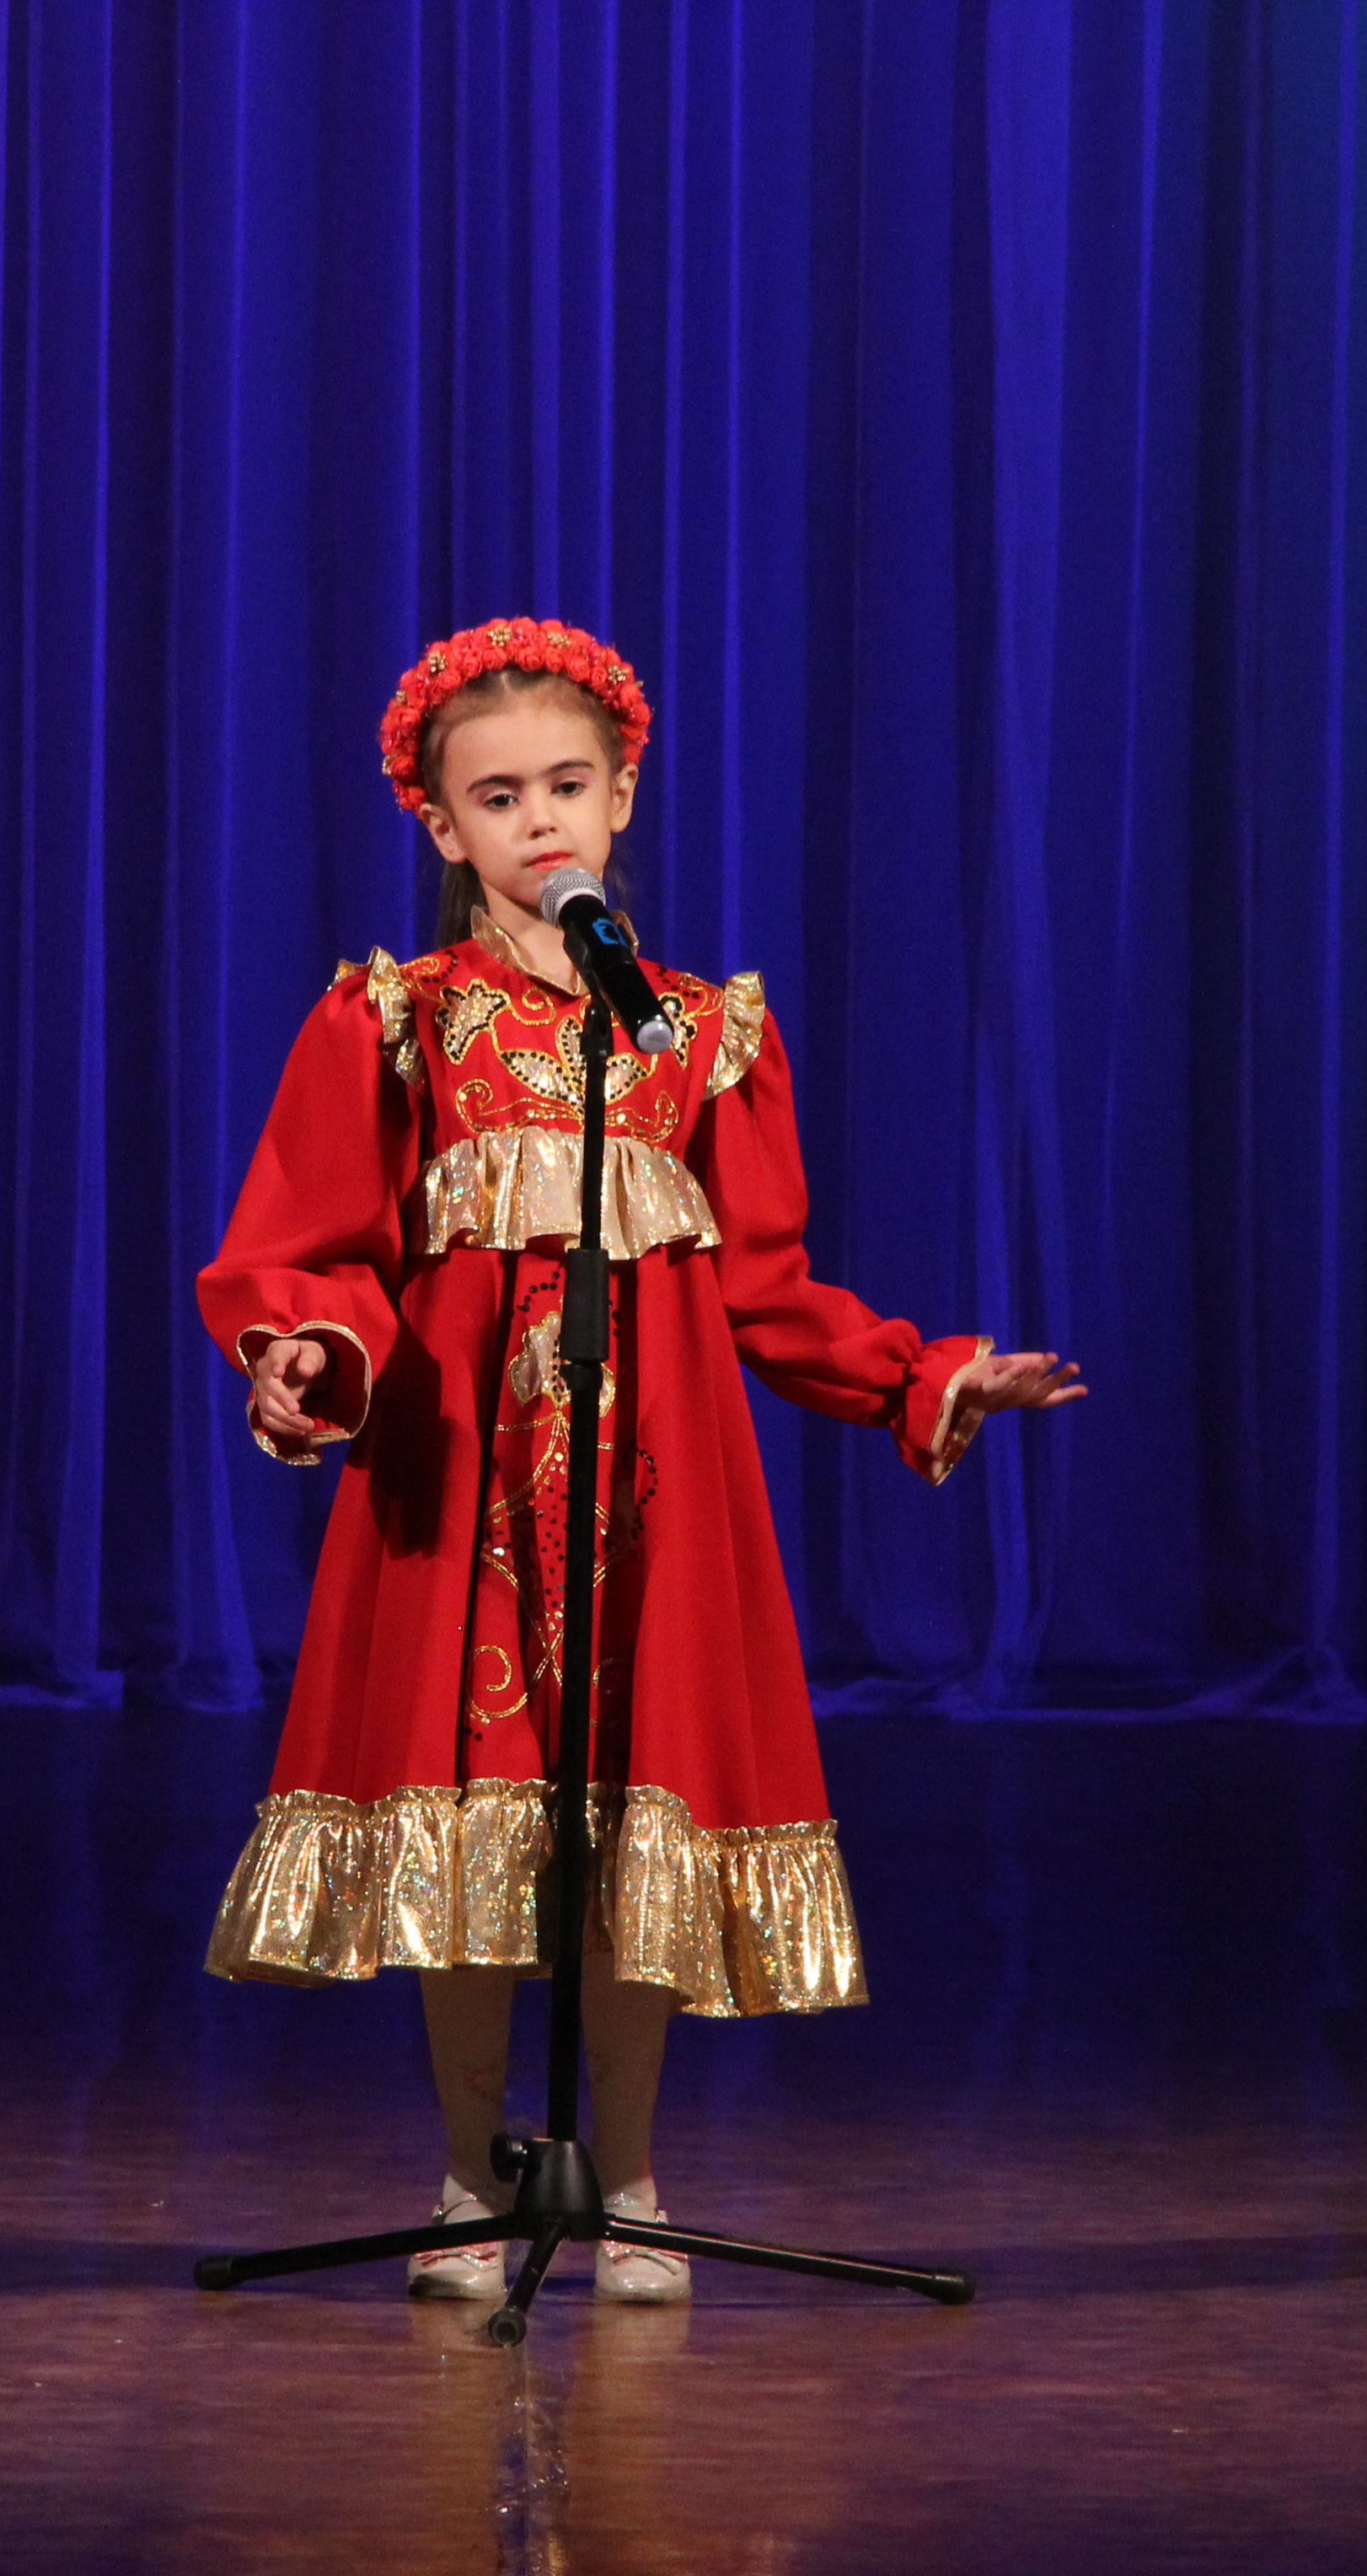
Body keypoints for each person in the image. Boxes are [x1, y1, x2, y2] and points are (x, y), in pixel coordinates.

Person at [195, 615, 1083, 2304]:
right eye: (498, 797)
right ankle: (473, 2171)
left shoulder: (700, 1033)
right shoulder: (397, 1019)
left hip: (652, 1489)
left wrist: (925, 1373)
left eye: (568, 786)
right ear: (440, 827)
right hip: (467, 1477)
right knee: (476, 1828)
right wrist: (306, 1347)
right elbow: (309, 1241)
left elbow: (766, 1288)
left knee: (629, 1821)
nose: (539, 819)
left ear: (622, 800)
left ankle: (634, 2173)